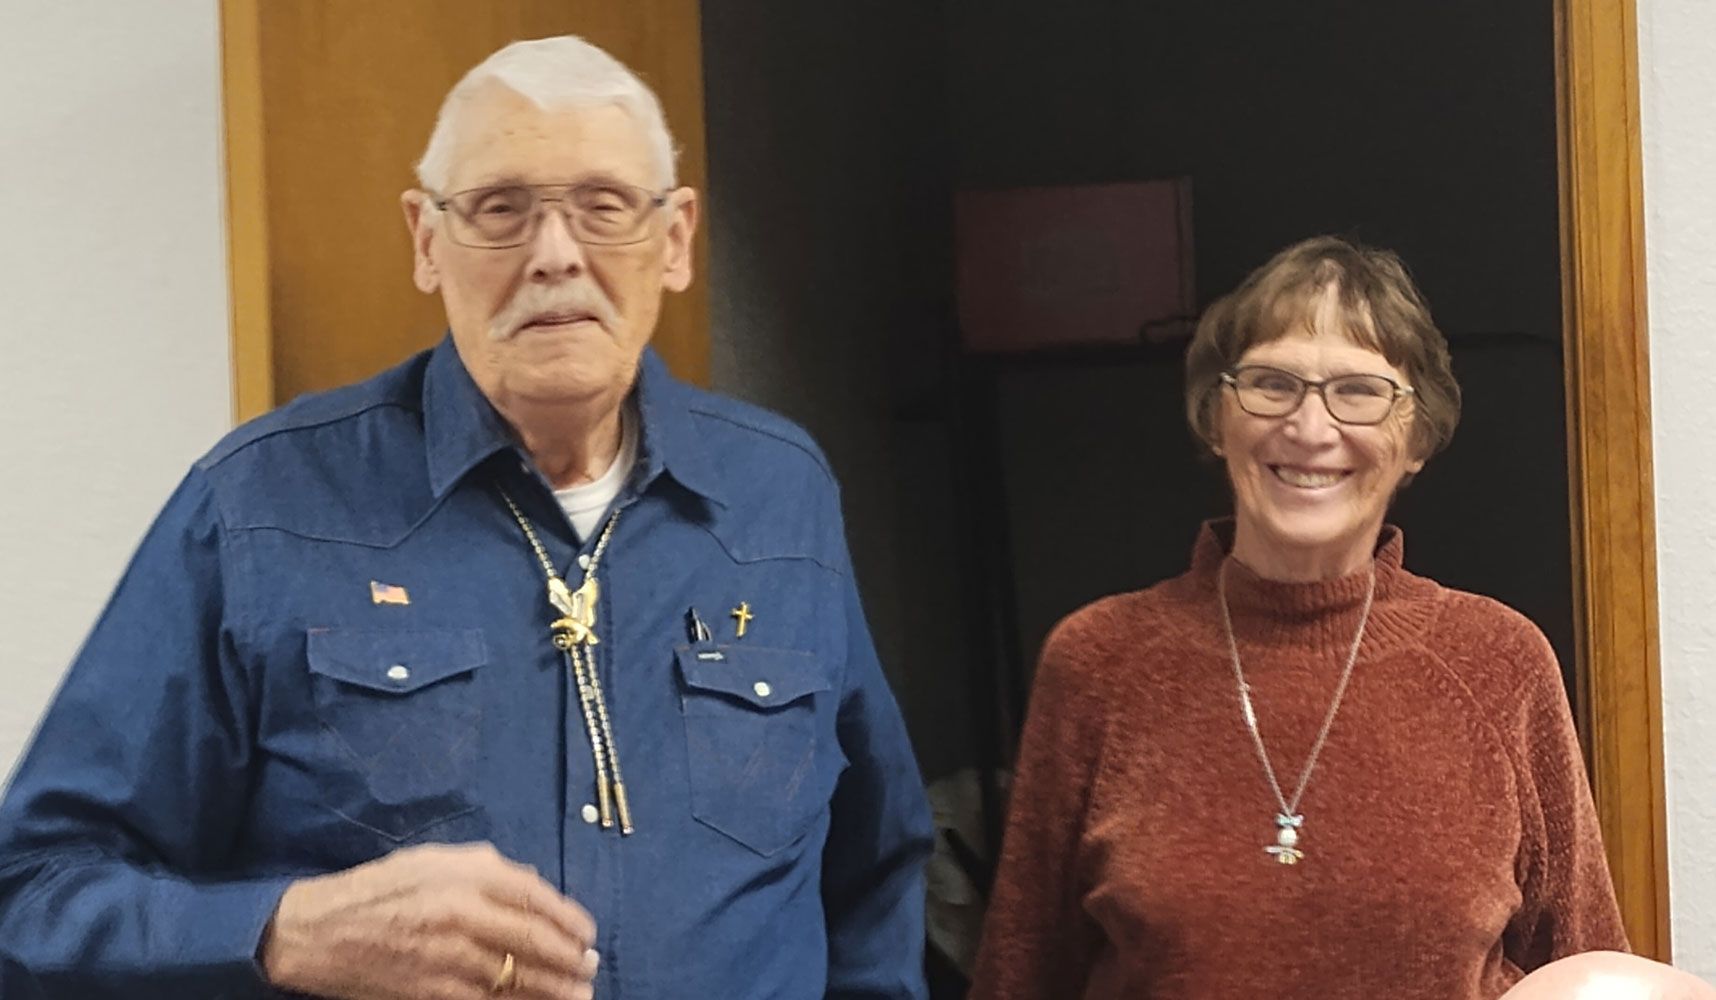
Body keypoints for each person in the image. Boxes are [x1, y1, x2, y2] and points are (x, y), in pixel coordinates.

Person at [0, 35, 932, 1000]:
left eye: (605, 206)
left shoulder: (784, 490)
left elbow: (871, 873)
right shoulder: (260, 506)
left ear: (676, 239)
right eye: (500, 209)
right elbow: (29, 899)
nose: (556, 257)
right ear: (427, 241)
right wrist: (277, 932)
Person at [968, 236, 1627, 998]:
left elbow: (1588, 971)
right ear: (1216, 417)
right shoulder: (1098, 662)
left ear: (1415, 438)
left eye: (1359, 391)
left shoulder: (1500, 660)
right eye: (1272, 384)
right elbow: (1019, 977)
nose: (1311, 429)